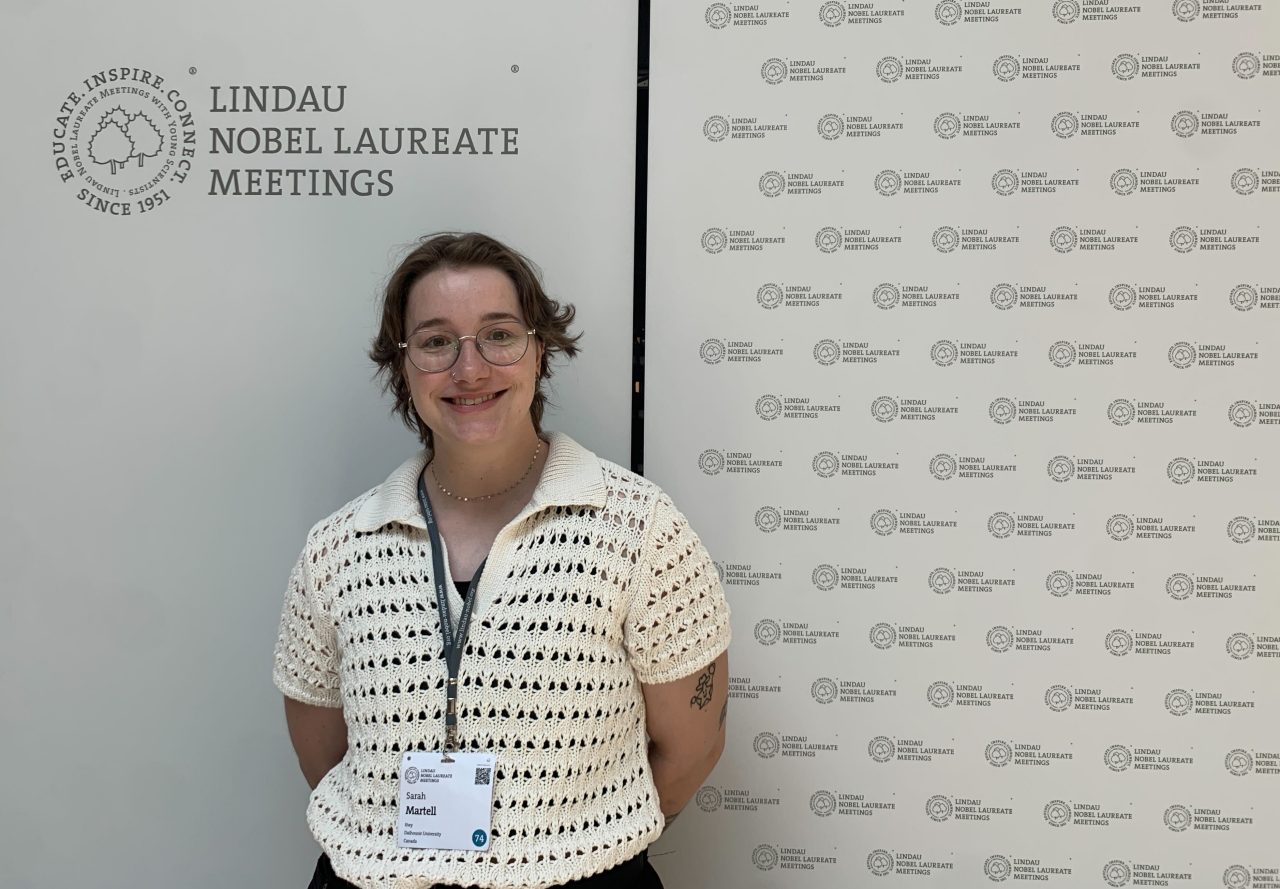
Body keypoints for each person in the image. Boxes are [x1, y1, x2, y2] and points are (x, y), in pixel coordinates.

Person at [273, 232, 732, 889]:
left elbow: (692, 746)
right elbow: (324, 753)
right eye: (436, 341)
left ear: (539, 349)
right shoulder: (337, 549)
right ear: (402, 366)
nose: (470, 370)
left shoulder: (637, 529)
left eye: (499, 334)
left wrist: (569, 854)